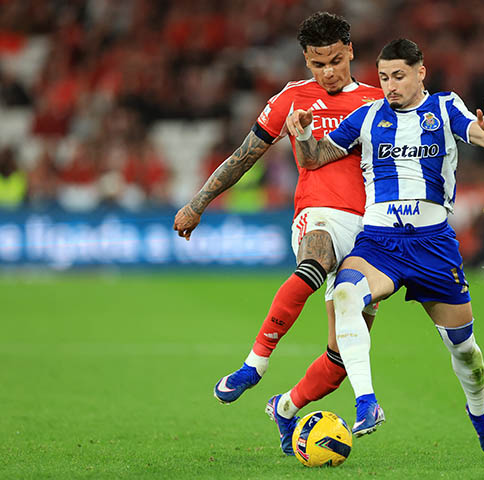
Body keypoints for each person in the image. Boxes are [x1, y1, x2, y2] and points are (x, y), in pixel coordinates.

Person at [172, 12, 384, 456]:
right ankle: (255, 365)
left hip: (371, 228)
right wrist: (198, 202)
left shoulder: (378, 100)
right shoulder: (291, 98)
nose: (328, 72)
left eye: (335, 61)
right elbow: (244, 155)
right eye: (318, 64)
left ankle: (285, 408)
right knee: (314, 261)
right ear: (306, 60)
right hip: (319, 212)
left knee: (342, 356)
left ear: (350, 51)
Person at [287, 38, 484, 458]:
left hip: (433, 245)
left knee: (465, 350)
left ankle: (479, 414)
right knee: (346, 294)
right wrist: (301, 135)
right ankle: (366, 402)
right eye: (384, 77)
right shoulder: (368, 116)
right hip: (380, 243)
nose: (390, 85)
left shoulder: (445, 107)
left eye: (399, 76)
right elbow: (315, 157)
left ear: (421, 73)